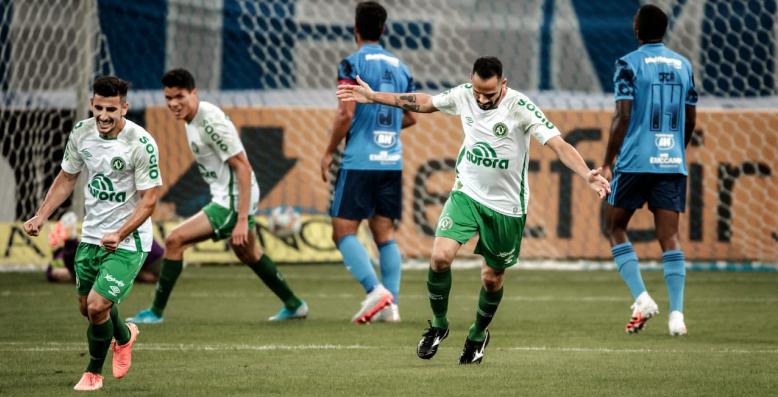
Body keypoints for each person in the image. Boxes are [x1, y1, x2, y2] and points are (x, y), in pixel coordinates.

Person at [337, 57, 610, 363]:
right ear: (472, 81)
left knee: (492, 279)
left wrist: (586, 174)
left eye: (489, 95)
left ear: (502, 85)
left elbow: (558, 144)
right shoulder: (465, 94)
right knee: (440, 258)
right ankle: (438, 326)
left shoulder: (521, 107)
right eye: (478, 91)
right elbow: (425, 102)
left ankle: (478, 334)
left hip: (507, 208)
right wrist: (375, 97)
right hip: (466, 194)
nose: (481, 99)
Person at [127, 68, 307, 324]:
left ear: (193, 93)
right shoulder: (193, 119)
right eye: (168, 98)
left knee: (176, 240)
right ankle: (294, 304)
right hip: (229, 196)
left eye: (179, 96)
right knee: (248, 254)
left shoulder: (209, 121)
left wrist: (242, 218)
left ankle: (155, 312)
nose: (173, 104)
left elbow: (243, 167)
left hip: (233, 201)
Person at [23, 76, 162, 390]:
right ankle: (124, 336)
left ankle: (93, 373)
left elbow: (150, 200)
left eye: (111, 109)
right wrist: (41, 215)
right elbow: (67, 178)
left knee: (99, 305)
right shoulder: (81, 133)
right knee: (88, 308)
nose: (103, 115)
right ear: (91, 104)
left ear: (124, 107)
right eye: (98, 107)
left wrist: (121, 232)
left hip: (129, 239)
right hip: (91, 236)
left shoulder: (140, 142)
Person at [602, 4, 697, 336]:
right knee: (669, 237)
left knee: (614, 226)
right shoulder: (684, 66)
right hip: (671, 162)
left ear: (637, 29)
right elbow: (691, 119)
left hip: (634, 161)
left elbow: (622, 116)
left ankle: (642, 298)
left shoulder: (628, 64)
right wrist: (674, 151)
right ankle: (678, 316)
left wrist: (606, 162)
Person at [320, 1, 416, 324]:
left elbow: (346, 113)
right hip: (391, 161)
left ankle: (375, 290)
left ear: (355, 29)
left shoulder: (351, 63)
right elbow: (411, 117)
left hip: (360, 160)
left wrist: (328, 151)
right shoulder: (401, 67)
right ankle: (392, 306)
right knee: (384, 232)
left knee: (342, 230)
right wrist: (383, 124)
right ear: (384, 29)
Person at [46, 211, 164, 283]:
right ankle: (69, 245)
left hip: (135, 251)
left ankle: (68, 245)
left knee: (89, 273)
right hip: (138, 252)